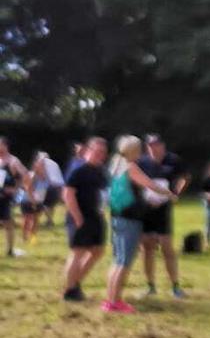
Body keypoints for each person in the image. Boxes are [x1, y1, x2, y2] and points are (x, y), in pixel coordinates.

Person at [104, 135, 172, 314]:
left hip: (117, 216)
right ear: (134, 150)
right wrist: (169, 193)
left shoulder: (115, 164)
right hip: (130, 218)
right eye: (140, 148)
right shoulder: (131, 167)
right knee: (125, 262)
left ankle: (109, 298)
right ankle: (116, 302)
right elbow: (150, 184)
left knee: (117, 260)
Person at [138, 133, 187, 298]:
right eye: (150, 145)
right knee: (147, 248)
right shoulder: (142, 162)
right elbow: (136, 181)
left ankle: (175, 286)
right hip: (146, 211)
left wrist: (175, 193)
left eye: (156, 145)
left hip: (164, 210)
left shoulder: (173, 160)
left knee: (167, 248)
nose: (153, 148)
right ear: (147, 147)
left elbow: (184, 177)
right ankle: (150, 286)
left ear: (163, 146)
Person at [61, 137, 109, 302]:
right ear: (88, 150)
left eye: (103, 152)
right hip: (80, 217)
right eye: (97, 151)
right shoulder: (79, 169)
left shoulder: (101, 170)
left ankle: (74, 283)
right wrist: (77, 217)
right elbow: (67, 194)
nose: (100, 155)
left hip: (97, 216)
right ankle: (69, 291)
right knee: (78, 253)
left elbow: (102, 194)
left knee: (98, 250)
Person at [0, 137, 33, 258]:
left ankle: (10, 250)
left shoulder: (13, 161)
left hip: (4, 198)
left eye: (0, 145)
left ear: (5, 146)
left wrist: (17, 189)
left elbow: (26, 175)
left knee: (7, 223)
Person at [32, 151, 64, 229]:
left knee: (50, 205)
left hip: (50, 187)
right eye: (42, 158)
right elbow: (34, 177)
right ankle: (49, 221)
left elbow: (57, 177)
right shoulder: (37, 166)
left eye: (45, 158)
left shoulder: (52, 166)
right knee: (42, 205)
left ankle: (49, 221)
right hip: (41, 188)